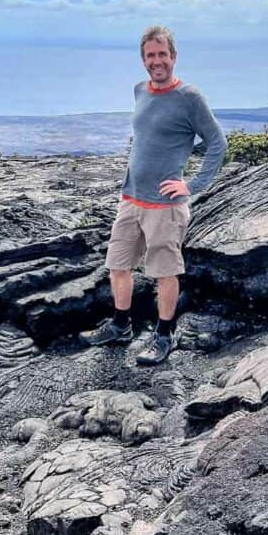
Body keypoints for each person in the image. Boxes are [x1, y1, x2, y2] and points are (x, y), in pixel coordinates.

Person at [79, 25, 227, 364]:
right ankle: (120, 326)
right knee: (118, 265)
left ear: (173, 57)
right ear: (143, 59)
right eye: (150, 55)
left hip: (165, 206)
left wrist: (191, 184)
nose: (156, 61)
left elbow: (218, 143)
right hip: (130, 199)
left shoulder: (190, 98)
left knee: (164, 272)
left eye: (162, 54)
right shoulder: (140, 91)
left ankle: (164, 335)